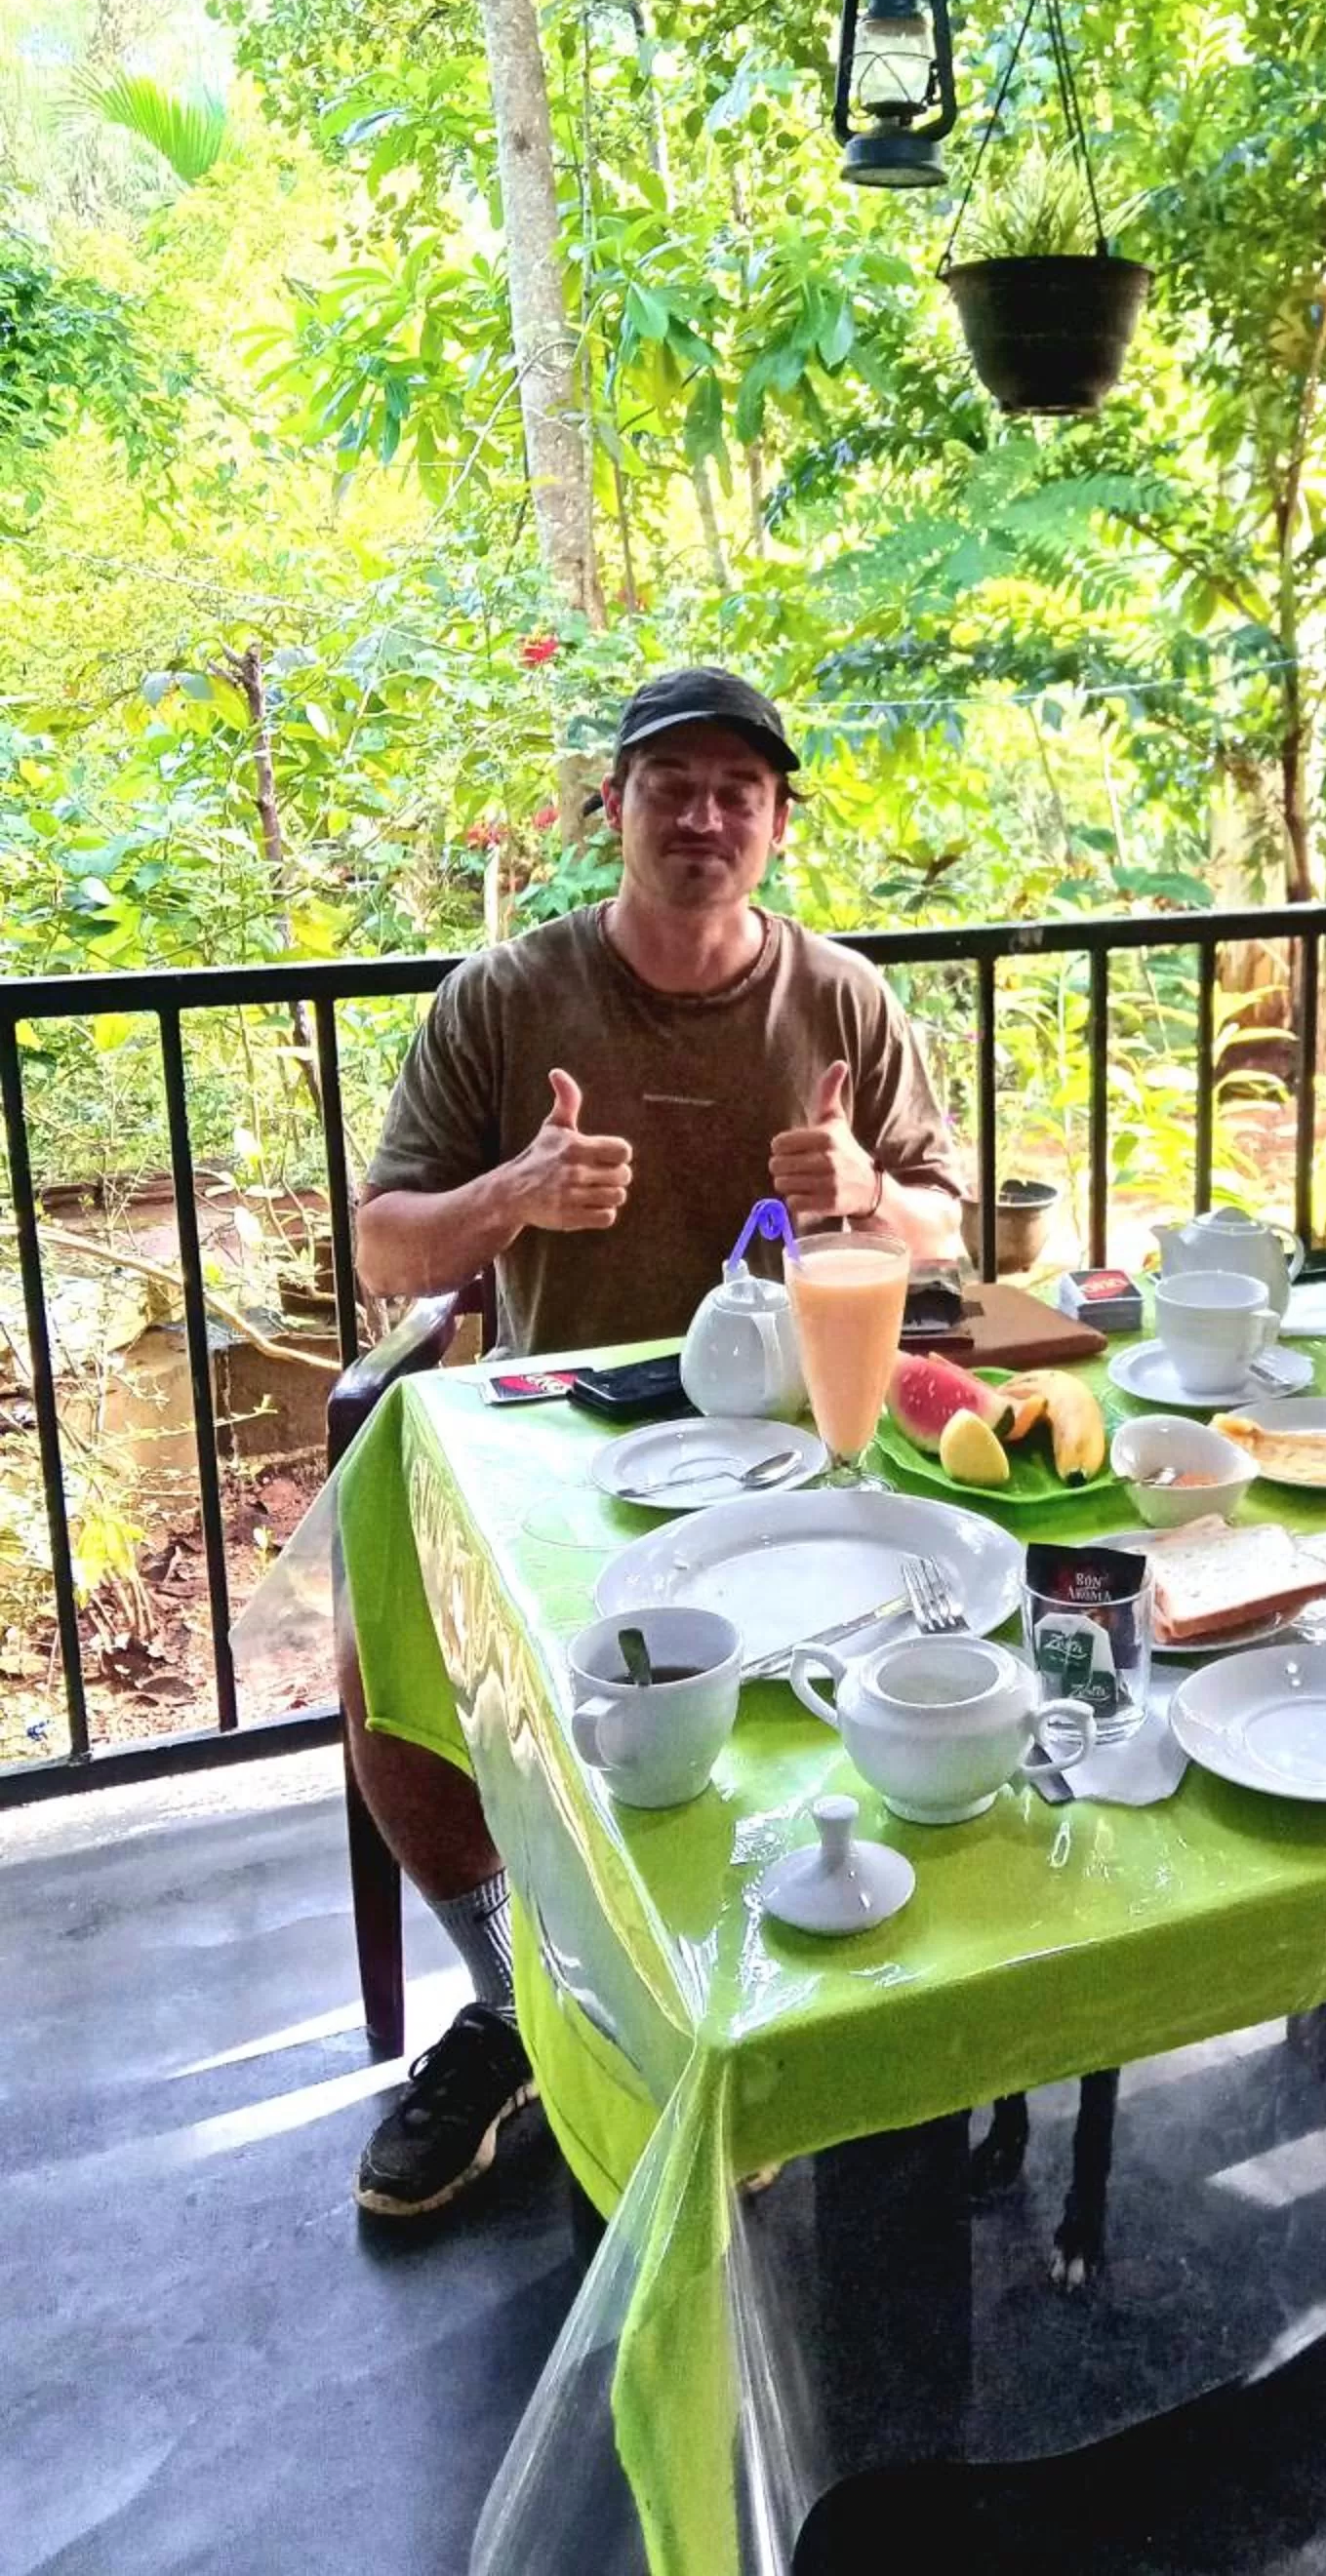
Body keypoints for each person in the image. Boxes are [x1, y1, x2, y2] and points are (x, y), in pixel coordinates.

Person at [341, 667, 965, 2220]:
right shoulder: (503, 999)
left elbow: (945, 1234)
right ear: (608, 806)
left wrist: (863, 1196)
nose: (701, 813)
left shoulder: (845, 1001)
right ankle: (525, 1997)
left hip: (811, 1445)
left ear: (774, 822)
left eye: (735, 789)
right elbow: (383, 1248)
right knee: (378, 1667)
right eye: (668, 783)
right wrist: (513, 1196)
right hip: (565, 1452)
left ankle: (792, 2002)